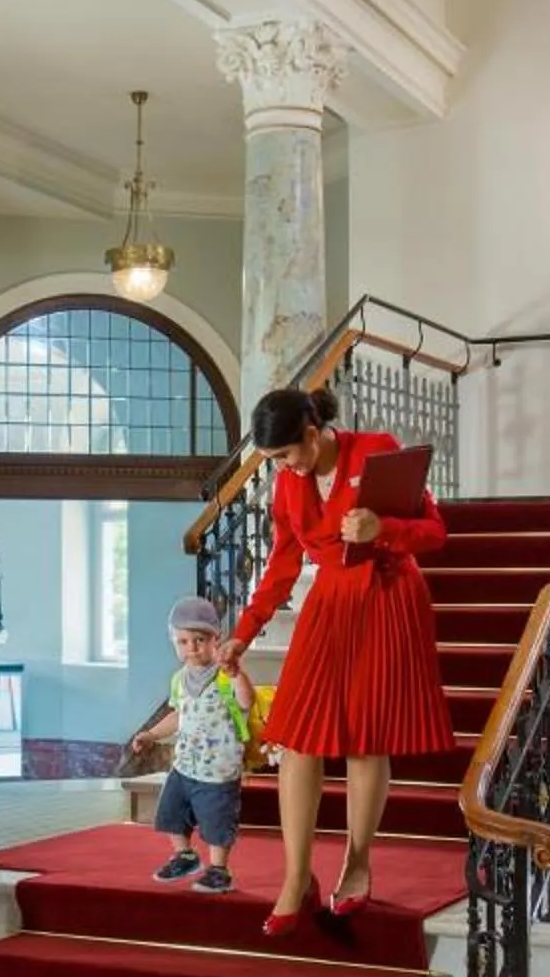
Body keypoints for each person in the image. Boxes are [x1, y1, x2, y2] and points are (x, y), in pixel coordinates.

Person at [219, 384, 455, 938]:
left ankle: (357, 863)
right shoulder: (288, 484)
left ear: (311, 433)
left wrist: (385, 529)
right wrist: (244, 634)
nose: (283, 468)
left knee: (365, 739)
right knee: (297, 738)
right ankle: (296, 877)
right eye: (274, 461)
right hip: (329, 601)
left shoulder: (376, 449)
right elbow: (280, 567)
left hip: (387, 593)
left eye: (284, 455)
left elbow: (435, 533)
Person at [129, 595, 256, 895]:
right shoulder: (179, 679)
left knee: (217, 822)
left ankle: (218, 870)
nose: (191, 648)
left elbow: (246, 702)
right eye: (183, 641)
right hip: (185, 764)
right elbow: (177, 715)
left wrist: (238, 675)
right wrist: (150, 734)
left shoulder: (225, 676)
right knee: (171, 812)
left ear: (217, 639)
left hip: (218, 768)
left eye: (199, 639)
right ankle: (185, 855)